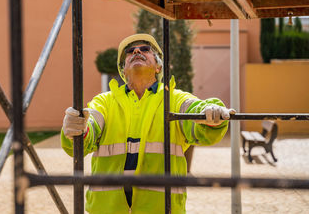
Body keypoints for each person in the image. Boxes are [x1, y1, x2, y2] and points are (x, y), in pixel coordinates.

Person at [61, 34, 235, 214]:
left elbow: (196, 111)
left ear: (158, 66)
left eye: (145, 49)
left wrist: (210, 115)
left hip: (160, 210)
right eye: (130, 52)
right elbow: (91, 125)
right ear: (123, 69)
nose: (137, 51)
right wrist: (78, 129)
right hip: (108, 210)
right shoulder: (104, 102)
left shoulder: (174, 99)